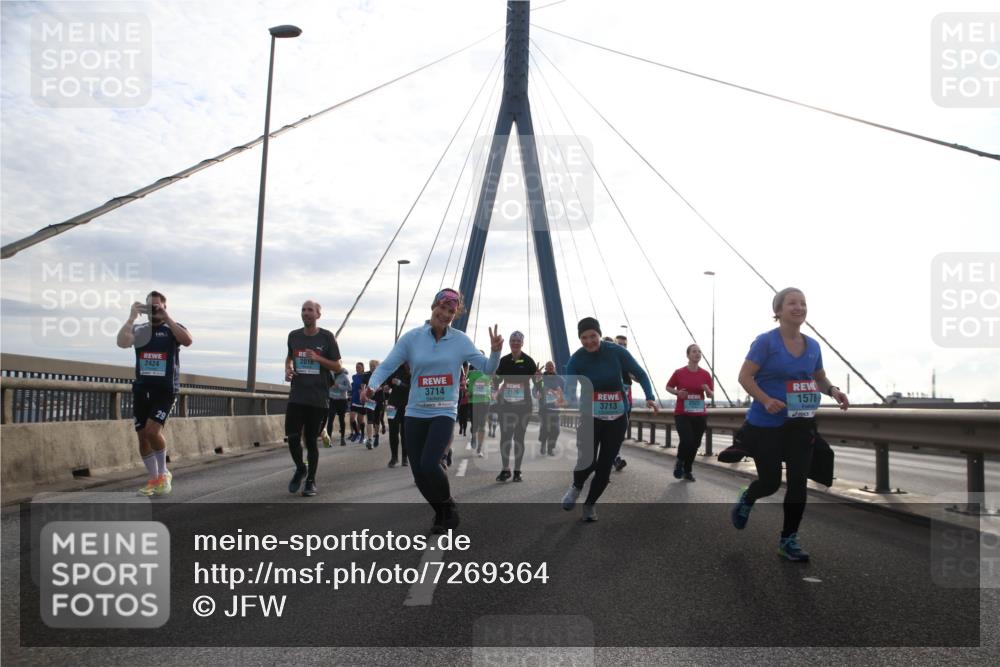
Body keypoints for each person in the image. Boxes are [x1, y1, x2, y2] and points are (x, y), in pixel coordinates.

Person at [365, 288, 502, 533]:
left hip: (443, 411)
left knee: (429, 464)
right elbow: (386, 366)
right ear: (433, 307)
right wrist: (372, 386)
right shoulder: (412, 338)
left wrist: (495, 351)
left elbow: (488, 369)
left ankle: (448, 506)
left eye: (451, 311)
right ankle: (441, 513)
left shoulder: (460, 340)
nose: (446, 315)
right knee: (418, 474)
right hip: (415, 411)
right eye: (443, 308)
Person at [731, 287, 849, 561]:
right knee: (771, 483)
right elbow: (745, 377)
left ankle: (788, 540)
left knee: (798, 483)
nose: (799, 307)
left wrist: (833, 391)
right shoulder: (766, 342)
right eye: (792, 303)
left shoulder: (813, 346)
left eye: (803, 303)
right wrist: (766, 399)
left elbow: (819, 377)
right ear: (778, 311)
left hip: (800, 424)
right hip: (767, 424)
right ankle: (748, 497)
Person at [562, 318, 657, 521]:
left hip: (617, 418)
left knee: (605, 468)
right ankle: (576, 486)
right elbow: (569, 390)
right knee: (587, 461)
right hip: (590, 417)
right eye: (584, 338)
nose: (589, 341)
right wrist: (563, 397)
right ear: (580, 339)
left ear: (599, 334)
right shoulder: (576, 360)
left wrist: (649, 396)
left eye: (593, 336)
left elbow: (640, 373)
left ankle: (590, 505)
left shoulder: (616, 351)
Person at [116, 291, 192, 496]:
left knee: (152, 432)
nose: (153, 311)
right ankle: (154, 479)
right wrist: (132, 316)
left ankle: (164, 473)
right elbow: (122, 342)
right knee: (142, 437)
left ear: (165, 307)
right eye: (150, 307)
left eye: (157, 307)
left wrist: (167, 318)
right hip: (142, 388)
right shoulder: (140, 329)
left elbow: (187, 341)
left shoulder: (172, 329)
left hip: (165, 390)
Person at [284, 300, 343, 497]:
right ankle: (301, 468)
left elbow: (337, 366)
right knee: (292, 437)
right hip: (297, 395)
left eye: (310, 310)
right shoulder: (294, 336)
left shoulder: (326, 337)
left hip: (318, 398)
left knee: (310, 441)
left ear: (318, 315)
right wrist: (288, 368)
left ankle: (310, 480)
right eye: (303, 310)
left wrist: (318, 358)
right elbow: (289, 356)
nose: (306, 313)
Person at [665, 344, 714, 481]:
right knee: (687, 440)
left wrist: (707, 390)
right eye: (694, 351)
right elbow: (668, 387)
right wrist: (677, 392)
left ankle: (688, 470)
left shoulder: (705, 374)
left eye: (699, 351)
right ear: (688, 355)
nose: (697, 354)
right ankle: (680, 462)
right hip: (682, 413)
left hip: (699, 413)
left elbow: (710, 395)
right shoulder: (679, 372)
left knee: (695, 443)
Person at [494, 331, 537, 483]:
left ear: (522, 343)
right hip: (505, 406)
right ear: (509, 343)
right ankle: (505, 469)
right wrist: (494, 379)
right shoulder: (504, 361)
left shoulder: (529, 361)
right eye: (513, 340)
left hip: (524, 406)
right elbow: (496, 381)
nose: (515, 343)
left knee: (519, 438)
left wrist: (539, 380)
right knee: (505, 438)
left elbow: (538, 384)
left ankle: (517, 471)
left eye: (518, 340)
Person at [612, 334, 634, 472]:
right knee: (610, 433)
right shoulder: (608, 360)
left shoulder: (629, 361)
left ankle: (614, 456)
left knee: (619, 433)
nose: (622, 347)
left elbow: (638, 376)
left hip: (626, 404)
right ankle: (615, 457)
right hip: (610, 403)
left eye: (625, 345)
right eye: (619, 344)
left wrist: (634, 373)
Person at [535, 361, 565, 456]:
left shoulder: (560, 379)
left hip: (555, 409)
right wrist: (537, 394)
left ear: (554, 367)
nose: (551, 367)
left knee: (556, 430)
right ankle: (543, 443)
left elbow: (566, 391)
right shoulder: (541, 378)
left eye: (552, 366)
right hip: (544, 408)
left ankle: (550, 448)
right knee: (545, 428)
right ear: (546, 369)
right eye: (548, 366)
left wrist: (561, 394)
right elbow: (535, 389)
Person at [466, 357, 492, 457]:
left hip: (485, 401)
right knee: (474, 424)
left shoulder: (488, 372)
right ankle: (473, 437)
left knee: (482, 425)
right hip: (473, 401)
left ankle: (479, 448)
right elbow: (464, 381)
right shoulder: (471, 373)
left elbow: (497, 378)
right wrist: (468, 391)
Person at [386, 363, 410, 467]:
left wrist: (400, 383)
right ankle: (394, 457)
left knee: (405, 432)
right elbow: (388, 383)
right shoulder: (394, 368)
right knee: (393, 431)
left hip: (406, 405)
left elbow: (412, 388)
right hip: (392, 404)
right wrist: (388, 385)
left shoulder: (412, 367)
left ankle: (405, 457)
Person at [326, 367, 352, 447]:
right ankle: (328, 440)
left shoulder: (344, 376)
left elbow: (349, 388)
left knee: (341, 419)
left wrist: (339, 386)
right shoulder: (330, 374)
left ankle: (342, 438)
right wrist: (329, 387)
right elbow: (326, 383)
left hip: (341, 400)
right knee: (330, 419)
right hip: (332, 399)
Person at [362, 359, 385, 449]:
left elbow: (384, 386)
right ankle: (370, 439)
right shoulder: (366, 375)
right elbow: (363, 385)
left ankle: (377, 436)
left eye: (373, 366)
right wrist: (364, 393)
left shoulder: (381, 374)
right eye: (370, 365)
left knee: (377, 419)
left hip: (379, 399)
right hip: (370, 400)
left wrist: (376, 389)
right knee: (370, 419)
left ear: (377, 367)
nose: (371, 367)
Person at [349, 362, 366, 443]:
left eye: (359, 367)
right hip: (354, 399)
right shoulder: (354, 377)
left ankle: (362, 435)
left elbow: (367, 387)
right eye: (356, 367)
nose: (357, 368)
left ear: (363, 368)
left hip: (362, 400)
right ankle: (356, 433)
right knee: (352, 418)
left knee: (360, 420)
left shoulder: (365, 376)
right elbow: (353, 386)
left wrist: (363, 390)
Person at [457, 363, 471, 438]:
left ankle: (464, 430)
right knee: (460, 416)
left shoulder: (468, 378)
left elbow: (470, 388)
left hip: (465, 400)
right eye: (465, 368)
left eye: (467, 368)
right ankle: (461, 427)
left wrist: (467, 389)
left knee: (464, 416)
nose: (466, 369)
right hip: (459, 400)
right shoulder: (458, 376)